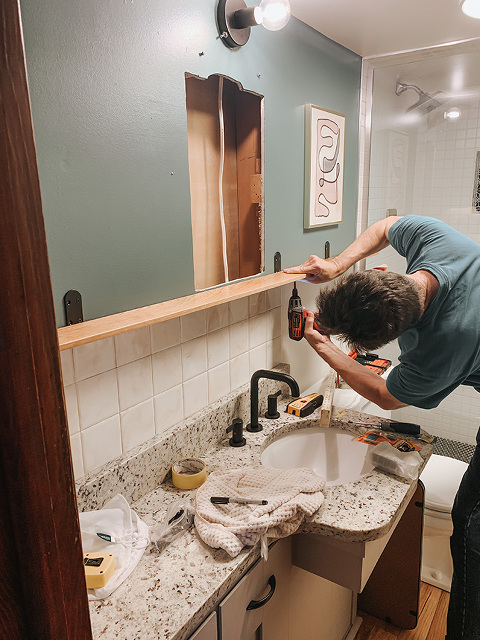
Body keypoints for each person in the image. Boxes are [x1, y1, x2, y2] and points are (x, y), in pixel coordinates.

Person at [285, 214, 480, 640]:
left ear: (401, 338)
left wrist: (323, 346)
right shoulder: (438, 243)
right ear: (385, 276)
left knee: (471, 530)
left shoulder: (444, 342)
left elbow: (385, 395)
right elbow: (386, 226)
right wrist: (335, 265)